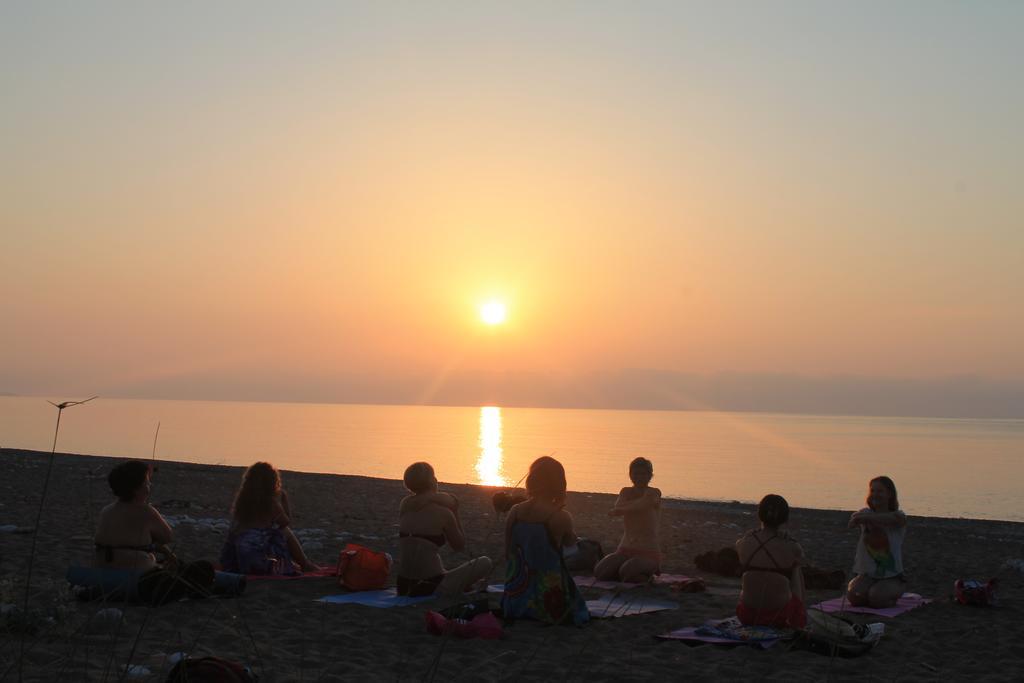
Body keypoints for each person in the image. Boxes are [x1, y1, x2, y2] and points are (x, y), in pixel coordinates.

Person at [95, 460, 213, 605]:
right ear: (137, 489)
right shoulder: (145, 510)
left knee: (170, 566)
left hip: (104, 574)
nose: (150, 486)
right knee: (202, 569)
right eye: (147, 482)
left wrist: (163, 550)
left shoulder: (106, 511)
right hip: (142, 580)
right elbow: (167, 536)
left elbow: (126, 542)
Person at [502, 456, 589, 625]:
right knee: (588, 549)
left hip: (514, 599)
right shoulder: (560, 516)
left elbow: (508, 552)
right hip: (548, 603)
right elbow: (571, 546)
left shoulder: (515, 511)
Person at [395, 462, 492, 597]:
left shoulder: (405, 505)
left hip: (403, 585)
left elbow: (425, 499)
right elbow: (459, 545)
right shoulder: (444, 513)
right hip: (431, 586)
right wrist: (454, 510)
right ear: (432, 481)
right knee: (485, 562)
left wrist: (443, 499)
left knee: (441, 566)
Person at [220, 462, 320, 575]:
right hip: (256, 559)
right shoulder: (270, 501)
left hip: (236, 559)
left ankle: (303, 563)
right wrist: (283, 499)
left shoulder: (242, 500)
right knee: (284, 531)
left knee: (264, 535)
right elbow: (285, 522)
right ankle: (305, 564)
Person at [735, 494, 806, 628]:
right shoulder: (792, 547)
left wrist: (751, 535)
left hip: (747, 616)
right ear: (785, 519)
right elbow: (802, 557)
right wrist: (786, 539)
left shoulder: (743, 543)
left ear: (760, 515)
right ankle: (800, 614)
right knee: (796, 567)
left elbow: (739, 545)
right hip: (780, 617)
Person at [594, 457, 661, 583]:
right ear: (630, 475)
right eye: (636, 473)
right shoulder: (625, 491)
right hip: (625, 549)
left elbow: (642, 505)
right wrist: (621, 509)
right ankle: (628, 572)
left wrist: (621, 510)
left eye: (643, 474)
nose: (639, 477)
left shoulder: (654, 493)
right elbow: (619, 506)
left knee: (627, 572)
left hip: (648, 551)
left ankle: (649, 576)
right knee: (600, 572)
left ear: (650, 475)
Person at [846, 475, 907, 608]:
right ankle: (873, 588)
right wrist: (863, 518)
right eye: (872, 491)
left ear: (889, 494)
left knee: (877, 599)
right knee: (854, 597)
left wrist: (867, 518)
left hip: (892, 575)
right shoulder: (864, 512)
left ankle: (896, 590)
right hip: (868, 574)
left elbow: (894, 520)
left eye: (880, 491)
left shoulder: (898, 516)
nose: (875, 495)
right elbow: (852, 523)